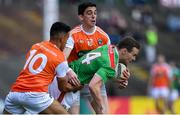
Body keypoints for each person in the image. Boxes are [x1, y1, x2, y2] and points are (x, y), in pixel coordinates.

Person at [3, 22, 81, 114]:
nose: (67, 42)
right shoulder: (60, 58)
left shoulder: (35, 46)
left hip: (14, 93)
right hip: (36, 95)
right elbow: (63, 88)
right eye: (67, 39)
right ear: (62, 38)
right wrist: (77, 87)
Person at [49, 36, 141, 114]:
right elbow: (93, 86)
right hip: (66, 85)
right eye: (133, 55)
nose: (134, 58)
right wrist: (101, 107)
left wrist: (118, 79)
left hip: (67, 78)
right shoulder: (111, 65)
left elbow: (100, 67)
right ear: (124, 51)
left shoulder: (109, 47)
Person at [63, 2, 111, 114]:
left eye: (95, 13)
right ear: (81, 17)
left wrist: (120, 74)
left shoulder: (103, 37)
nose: (93, 16)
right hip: (75, 82)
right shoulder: (73, 35)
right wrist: (69, 71)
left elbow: (110, 61)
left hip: (94, 81)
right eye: (89, 13)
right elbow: (62, 58)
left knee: (103, 113)